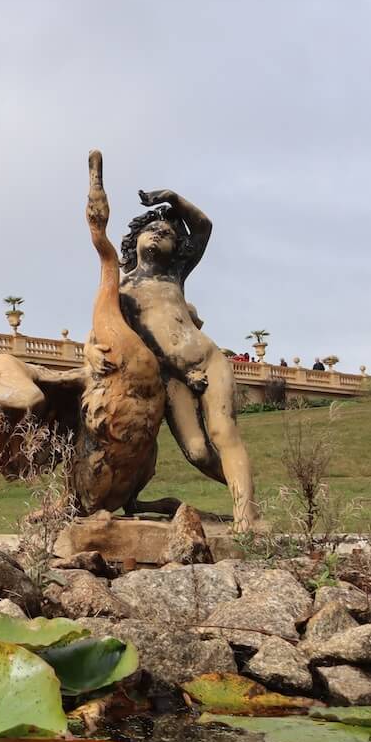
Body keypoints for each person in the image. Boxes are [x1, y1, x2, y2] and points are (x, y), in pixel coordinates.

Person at [118, 188, 257, 530]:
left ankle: (246, 514)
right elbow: (139, 342)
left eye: (168, 235)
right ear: (136, 238)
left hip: (207, 360)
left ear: (176, 249)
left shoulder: (174, 274)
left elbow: (204, 226)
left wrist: (172, 199)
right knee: (198, 453)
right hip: (170, 377)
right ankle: (245, 494)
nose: (160, 235)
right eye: (153, 230)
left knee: (223, 432)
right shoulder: (121, 291)